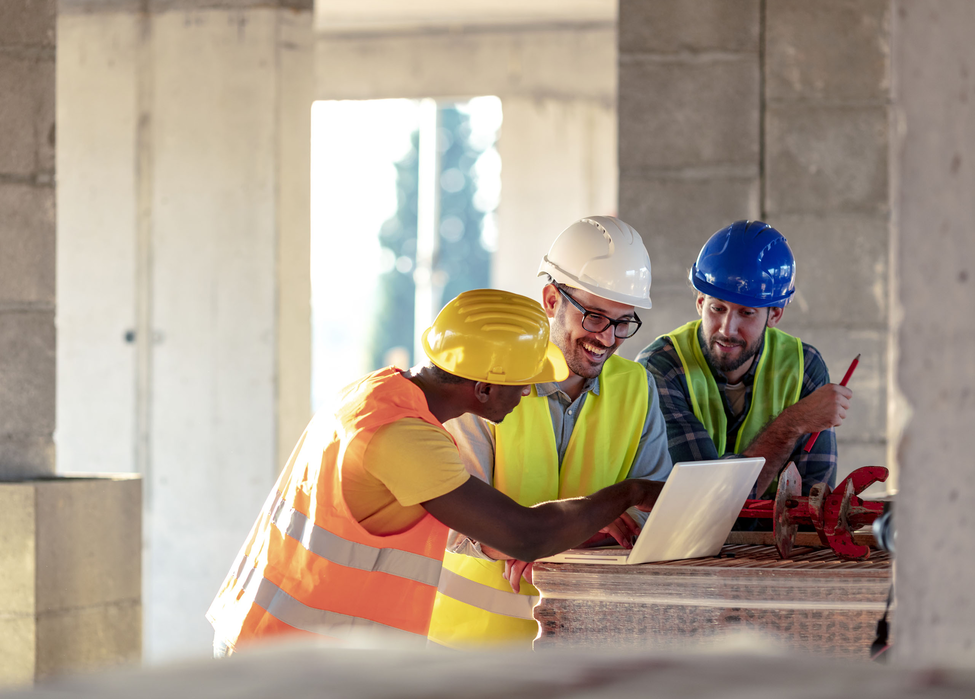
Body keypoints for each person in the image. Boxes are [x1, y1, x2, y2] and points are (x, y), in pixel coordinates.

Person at [206, 289, 664, 656]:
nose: (528, 392)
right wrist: (629, 492)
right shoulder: (404, 439)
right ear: (483, 387)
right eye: (523, 381)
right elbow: (523, 535)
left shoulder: (380, 393)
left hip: (284, 644)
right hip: (285, 656)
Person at [427, 217, 672, 650]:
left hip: (587, 641)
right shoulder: (484, 378)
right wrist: (590, 519)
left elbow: (652, 512)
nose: (608, 338)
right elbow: (458, 524)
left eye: (623, 322)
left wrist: (562, 531)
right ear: (550, 299)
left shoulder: (637, 386)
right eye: (595, 317)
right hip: (476, 647)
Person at [637, 220, 849, 504]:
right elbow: (705, 501)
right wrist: (791, 424)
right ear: (700, 302)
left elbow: (813, 506)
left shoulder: (804, 367)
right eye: (717, 308)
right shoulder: (661, 367)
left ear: (774, 315)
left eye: (746, 313)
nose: (727, 328)